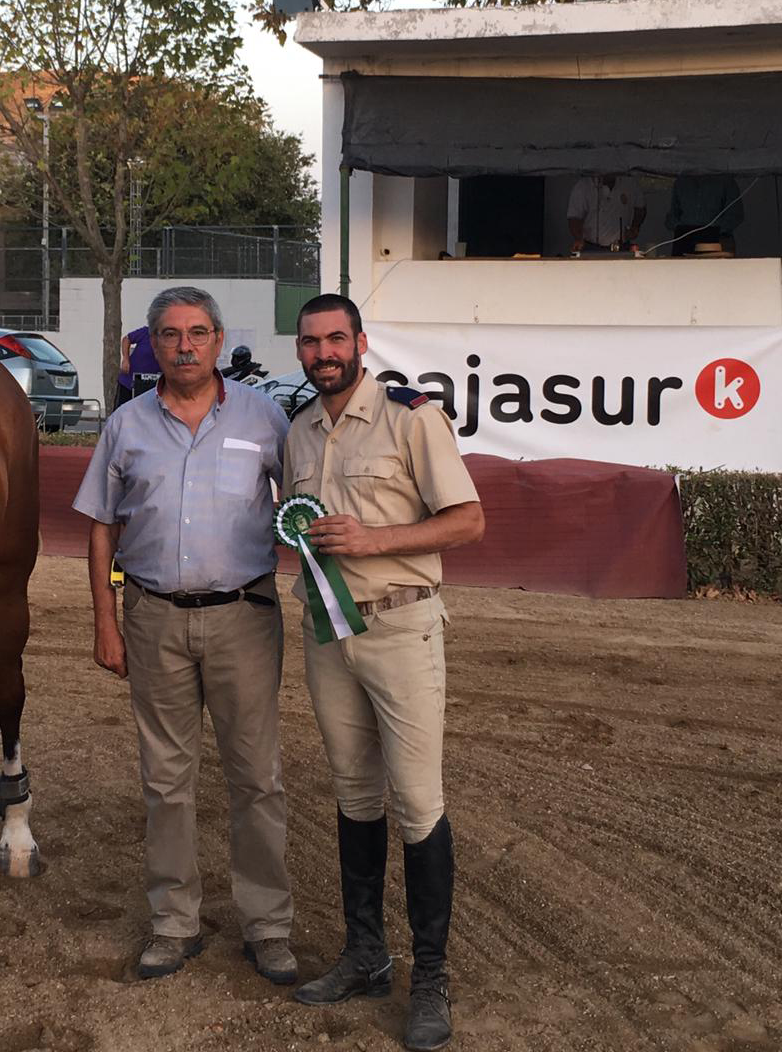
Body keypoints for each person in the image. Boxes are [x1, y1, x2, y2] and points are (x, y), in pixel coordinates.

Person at [73, 285, 296, 985]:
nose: (186, 346)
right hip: (152, 616)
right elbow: (101, 525)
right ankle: (174, 924)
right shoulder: (126, 425)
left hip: (244, 617)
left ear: (220, 339)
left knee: (256, 777)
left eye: (199, 333)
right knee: (166, 780)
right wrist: (105, 620)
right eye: (171, 334)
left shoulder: (266, 419)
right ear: (154, 344)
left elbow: (304, 507)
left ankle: (268, 927)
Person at [284, 294, 486, 1052]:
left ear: (360, 343)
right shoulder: (298, 430)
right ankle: (366, 954)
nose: (323, 352)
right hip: (325, 632)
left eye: (336, 338)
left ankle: (429, 978)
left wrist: (374, 542)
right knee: (353, 793)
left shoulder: (412, 417)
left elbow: (469, 519)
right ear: (299, 351)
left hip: (401, 623)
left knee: (418, 801)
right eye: (310, 341)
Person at [566, 173, 645, 254]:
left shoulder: (629, 183)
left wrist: (635, 227)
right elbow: (574, 217)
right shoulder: (584, 185)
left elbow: (640, 207)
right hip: (592, 247)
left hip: (622, 247)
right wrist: (578, 238)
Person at [667, 174, 744, 256]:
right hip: (686, 240)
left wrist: (711, 230)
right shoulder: (681, 181)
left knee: (715, 268)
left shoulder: (725, 180)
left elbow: (735, 215)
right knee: (681, 268)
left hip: (717, 241)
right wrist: (681, 228)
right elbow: (671, 218)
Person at [115, 323, 162, 409]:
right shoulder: (146, 331)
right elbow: (127, 339)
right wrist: (126, 359)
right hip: (129, 382)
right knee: (122, 412)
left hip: (152, 387)